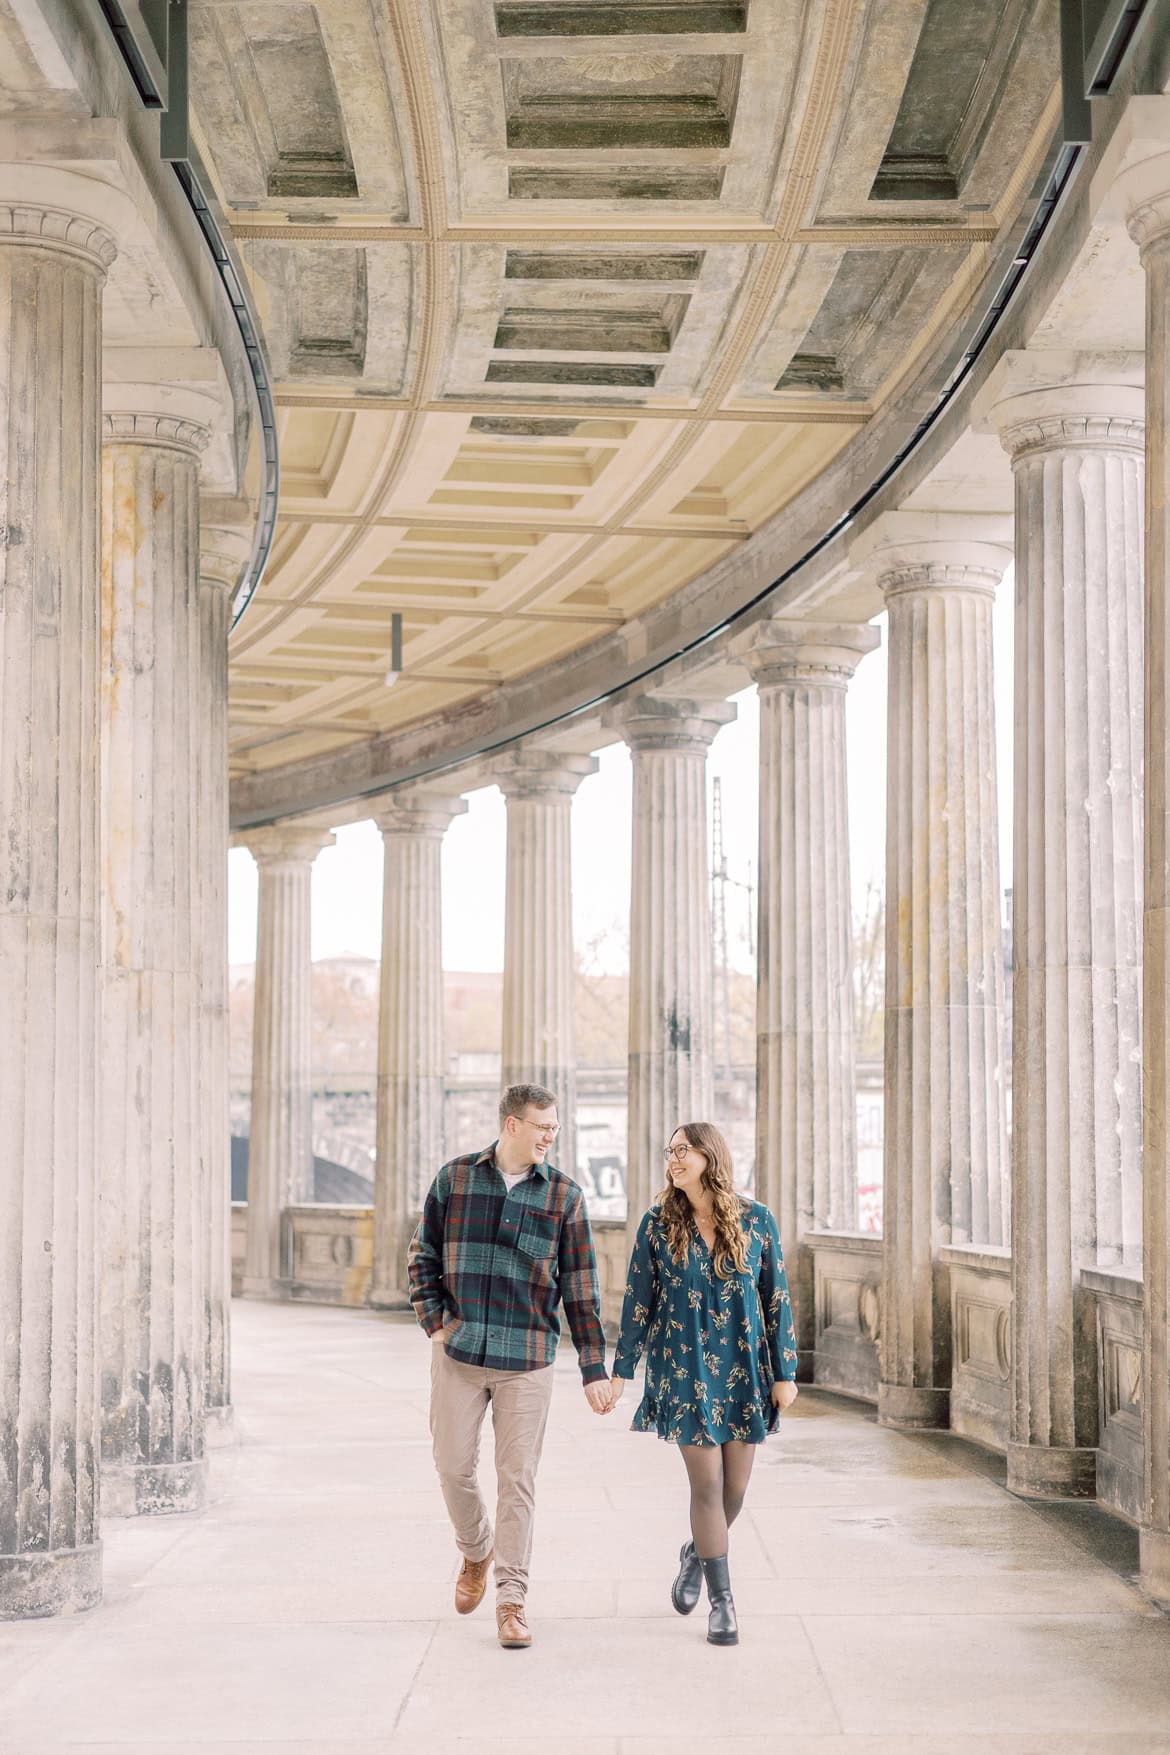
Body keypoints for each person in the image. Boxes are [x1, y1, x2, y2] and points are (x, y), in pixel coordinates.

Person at [408, 1083, 611, 1650]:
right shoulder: (455, 1179)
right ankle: (475, 1550)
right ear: (511, 1125)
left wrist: (594, 1367)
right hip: (460, 1353)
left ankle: (512, 1600)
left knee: (517, 1481)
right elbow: (421, 1254)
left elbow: (581, 1288)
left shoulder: (565, 1197)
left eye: (556, 1129)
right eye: (542, 1126)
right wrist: (435, 1321)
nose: (550, 1136)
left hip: (527, 1359)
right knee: (452, 1467)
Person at [609, 1121, 799, 1646]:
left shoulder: (757, 1220)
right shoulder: (657, 1225)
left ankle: (696, 1555)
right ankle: (724, 1603)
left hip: (744, 1371)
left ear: (709, 1155)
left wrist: (786, 1373)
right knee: (708, 1486)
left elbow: (776, 1297)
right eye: (669, 1151)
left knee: (735, 1489)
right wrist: (621, 1371)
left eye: (683, 1150)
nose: (673, 1159)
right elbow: (637, 1303)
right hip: (685, 1370)